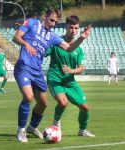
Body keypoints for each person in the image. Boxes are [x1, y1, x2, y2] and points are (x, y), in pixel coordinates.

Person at [13, 8, 91, 143]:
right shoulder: (31, 22)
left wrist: (81, 38)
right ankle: (21, 131)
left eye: (55, 22)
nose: (53, 23)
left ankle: (32, 127)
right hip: (23, 66)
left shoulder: (52, 36)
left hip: (37, 72)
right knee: (28, 96)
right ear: (45, 16)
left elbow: (69, 48)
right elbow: (16, 37)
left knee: (43, 104)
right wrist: (26, 44)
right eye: (51, 20)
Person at [45, 15, 95, 137]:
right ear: (66, 27)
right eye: (71, 27)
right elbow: (42, 52)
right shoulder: (56, 43)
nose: (73, 31)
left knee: (85, 108)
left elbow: (81, 68)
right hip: (55, 79)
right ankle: (56, 125)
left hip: (70, 82)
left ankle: (82, 131)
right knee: (63, 103)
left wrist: (71, 71)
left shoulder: (79, 50)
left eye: (76, 28)